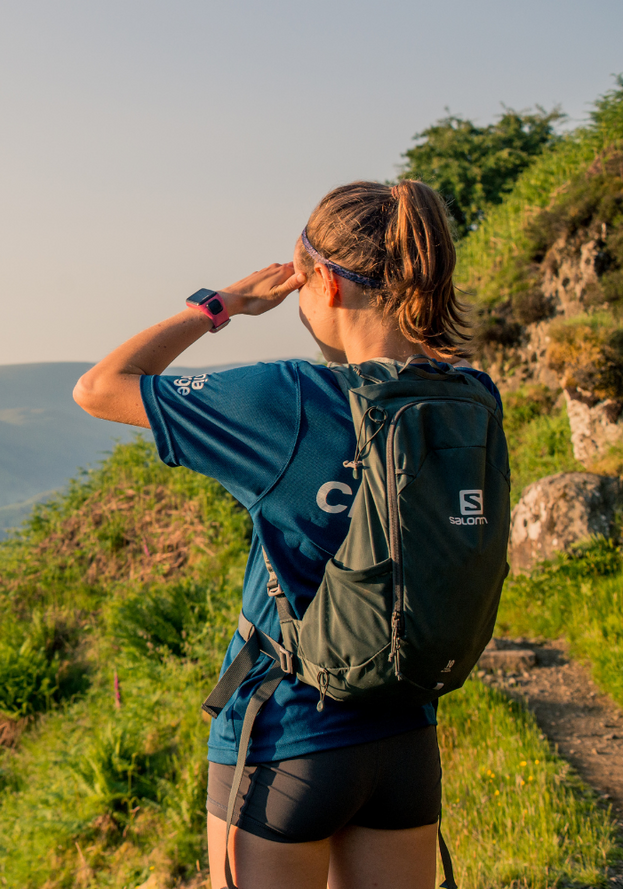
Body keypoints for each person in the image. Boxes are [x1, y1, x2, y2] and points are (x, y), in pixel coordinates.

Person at [72, 180, 497, 889]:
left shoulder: (290, 399)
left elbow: (101, 385)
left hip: (287, 737)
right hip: (405, 735)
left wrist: (220, 306)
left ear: (325, 284)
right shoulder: (469, 396)